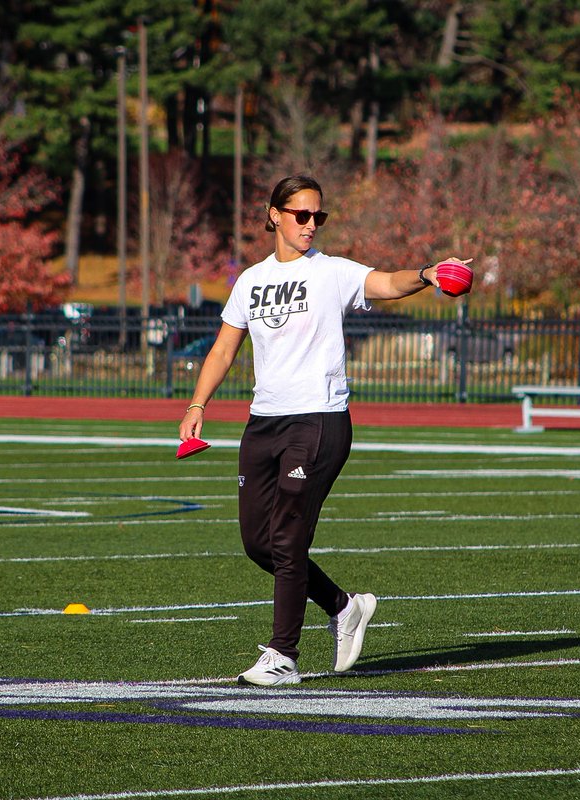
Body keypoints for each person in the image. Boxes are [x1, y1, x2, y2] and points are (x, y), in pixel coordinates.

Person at [178, 174, 471, 686]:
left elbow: (387, 282)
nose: (311, 224)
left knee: (288, 538)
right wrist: (197, 403)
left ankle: (283, 655)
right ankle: (343, 606)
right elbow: (225, 348)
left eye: (319, 216)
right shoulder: (249, 280)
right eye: (301, 215)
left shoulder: (332, 273)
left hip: (319, 420)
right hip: (264, 421)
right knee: (258, 543)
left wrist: (427, 272)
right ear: (274, 215)